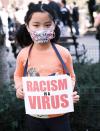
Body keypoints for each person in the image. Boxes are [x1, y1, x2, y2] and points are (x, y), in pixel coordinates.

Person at [14, 3, 79, 131]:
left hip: (60, 116)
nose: (42, 29)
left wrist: (69, 92)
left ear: (54, 25)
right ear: (27, 27)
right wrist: (19, 88)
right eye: (36, 25)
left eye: (47, 25)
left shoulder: (63, 53)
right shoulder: (23, 54)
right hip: (34, 116)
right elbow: (17, 75)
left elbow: (71, 76)